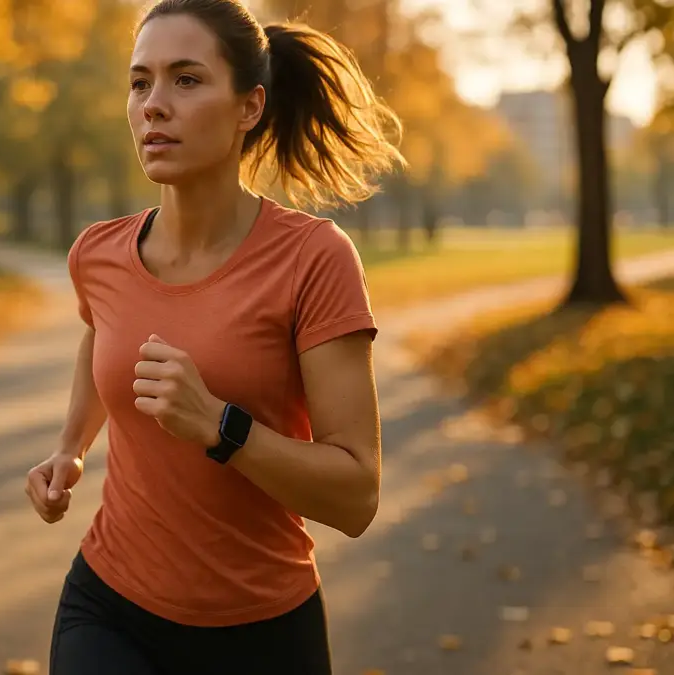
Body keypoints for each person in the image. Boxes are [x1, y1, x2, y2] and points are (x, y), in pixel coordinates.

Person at [24, 1, 405, 673]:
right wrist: (70, 447)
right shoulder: (98, 254)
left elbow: (357, 495)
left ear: (249, 106)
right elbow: (100, 338)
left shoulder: (314, 260)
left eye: (186, 79)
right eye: (140, 82)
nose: (153, 104)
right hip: (109, 605)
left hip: (260, 629)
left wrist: (221, 426)